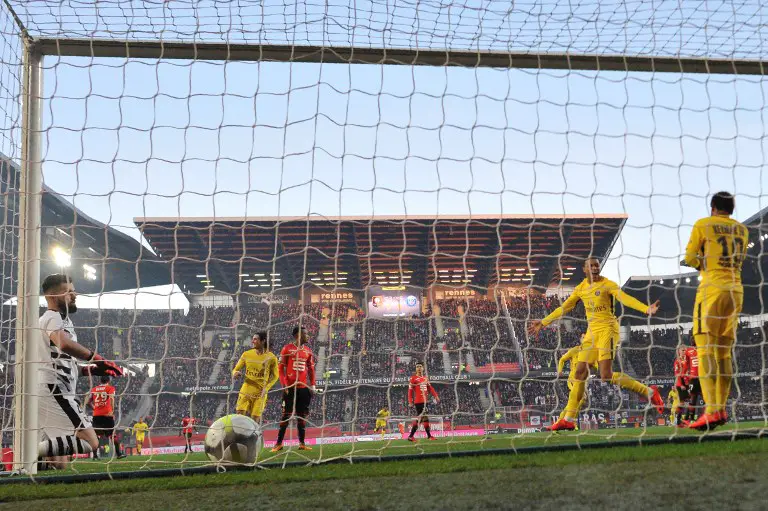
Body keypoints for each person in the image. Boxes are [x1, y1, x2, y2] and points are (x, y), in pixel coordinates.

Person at [528, 257, 664, 432]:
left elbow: (624, 297)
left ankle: (649, 392)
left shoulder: (608, 284)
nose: (594, 268)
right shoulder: (581, 288)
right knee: (579, 372)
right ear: (584, 269)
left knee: (605, 375)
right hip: (592, 332)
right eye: (590, 266)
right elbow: (564, 307)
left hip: (608, 329)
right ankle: (568, 419)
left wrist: (646, 309)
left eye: (596, 265)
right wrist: (544, 322)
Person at [37, 274, 123, 469]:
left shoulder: (64, 321)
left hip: (57, 388)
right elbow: (64, 344)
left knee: (60, 463)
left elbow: (67, 363)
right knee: (90, 442)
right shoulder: (52, 317)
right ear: (53, 296)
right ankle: (29, 452)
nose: (74, 295)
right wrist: (97, 358)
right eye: (69, 291)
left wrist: (92, 370)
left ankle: (36, 462)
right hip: (54, 389)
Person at [683, 192, 747, 430]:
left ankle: (710, 410)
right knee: (724, 354)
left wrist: (702, 263)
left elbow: (689, 258)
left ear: (712, 208)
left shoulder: (704, 224)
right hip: (736, 291)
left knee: (706, 351)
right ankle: (720, 409)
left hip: (712, 290)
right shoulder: (742, 230)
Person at [271, 326, 316, 452]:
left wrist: (312, 385)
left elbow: (311, 370)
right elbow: (280, 369)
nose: (308, 336)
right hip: (290, 388)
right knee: (286, 415)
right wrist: (284, 384)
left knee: (301, 417)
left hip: (303, 389)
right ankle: (278, 444)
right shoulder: (287, 348)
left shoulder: (308, 351)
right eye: (306, 334)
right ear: (298, 335)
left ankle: (302, 443)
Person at [232, 331, 279, 422]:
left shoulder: (272, 357)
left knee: (254, 421)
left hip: (260, 392)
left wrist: (267, 388)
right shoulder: (246, 354)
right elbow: (235, 369)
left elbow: (276, 376)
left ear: (263, 341)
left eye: (255, 339)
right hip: (246, 390)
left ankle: (254, 436)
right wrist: (235, 373)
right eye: (252, 339)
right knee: (239, 417)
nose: (252, 341)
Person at [85, 375, 126, 459]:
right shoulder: (110, 388)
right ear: (108, 381)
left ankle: (95, 456)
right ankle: (119, 454)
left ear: (100, 381)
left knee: (96, 436)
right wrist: (112, 410)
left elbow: (88, 402)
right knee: (112, 435)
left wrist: (95, 408)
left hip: (96, 415)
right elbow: (111, 398)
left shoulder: (94, 389)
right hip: (107, 415)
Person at [407, 362, 439, 442]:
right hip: (418, 402)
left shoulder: (425, 378)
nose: (419, 368)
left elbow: (430, 388)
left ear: (423, 368)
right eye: (417, 366)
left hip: (425, 401)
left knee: (424, 418)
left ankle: (427, 436)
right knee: (422, 418)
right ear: (415, 368)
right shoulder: (413, 378)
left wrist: (436, 395)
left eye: (420, 366)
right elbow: (410, 391)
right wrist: (410, 401)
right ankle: (412, 436)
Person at [683, 339, 702, 423]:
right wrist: (684, 377)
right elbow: (686, 365)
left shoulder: (703, 349)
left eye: (694, 339)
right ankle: (690, 418)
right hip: (693, 378)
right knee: (692, 399)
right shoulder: (688, 351)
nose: (692, 341)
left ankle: (706, 417)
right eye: (692, 340)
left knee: (705, 399)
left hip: (703, 378)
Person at [672, 347, 690, 426]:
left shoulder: (687, 360)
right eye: (682, 350)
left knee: (686, 402)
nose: (684, 351)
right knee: (683, 402)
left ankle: (680, 420)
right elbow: (677, 374)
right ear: (679, 352)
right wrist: (681, 384)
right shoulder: (677, 361)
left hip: (687, 382)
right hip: (681, 383)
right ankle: (677, 420)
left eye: (685, 350)